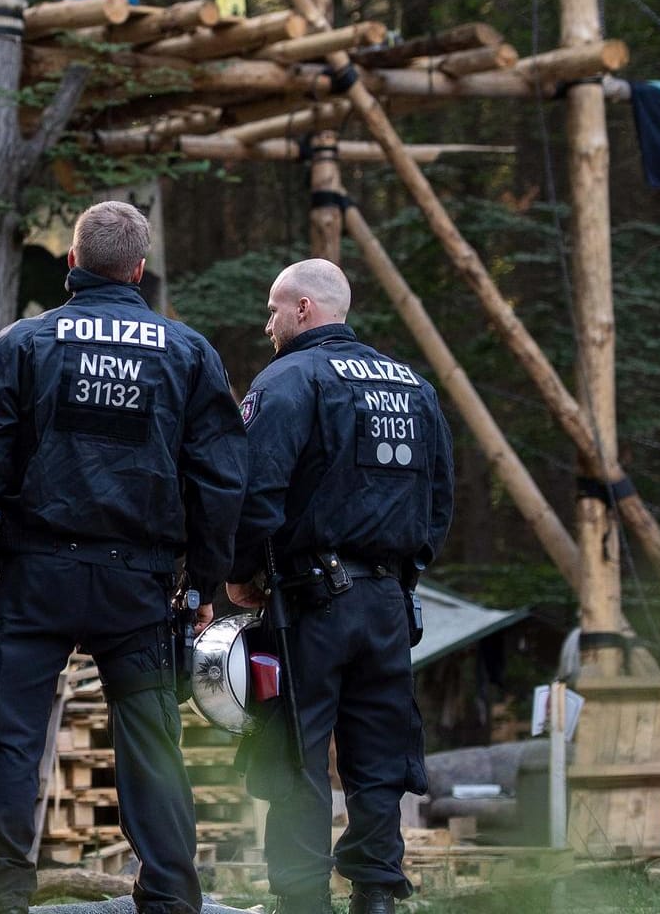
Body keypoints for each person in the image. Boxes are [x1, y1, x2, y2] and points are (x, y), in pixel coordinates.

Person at [0, 200, 248, 914]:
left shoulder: (20, 344)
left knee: (15, 740)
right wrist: (204, 580)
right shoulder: (189, 353)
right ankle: (170, 896)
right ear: (139, 270)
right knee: (150, 740)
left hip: (33, 579)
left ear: (72, 263)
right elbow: (222, 481)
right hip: (137, 589)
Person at [225, 258, 454, 914]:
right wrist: (405, 575)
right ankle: (377, 895)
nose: (267, 324)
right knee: (380, 758)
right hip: (387, 605)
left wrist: (241, 574)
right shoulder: (413, 385)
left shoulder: (290, 379)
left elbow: (255, 489)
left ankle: (301, 900)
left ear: (304, 309)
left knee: (294, 752)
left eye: (274, 309)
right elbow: (439, 499)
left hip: (307, 606)